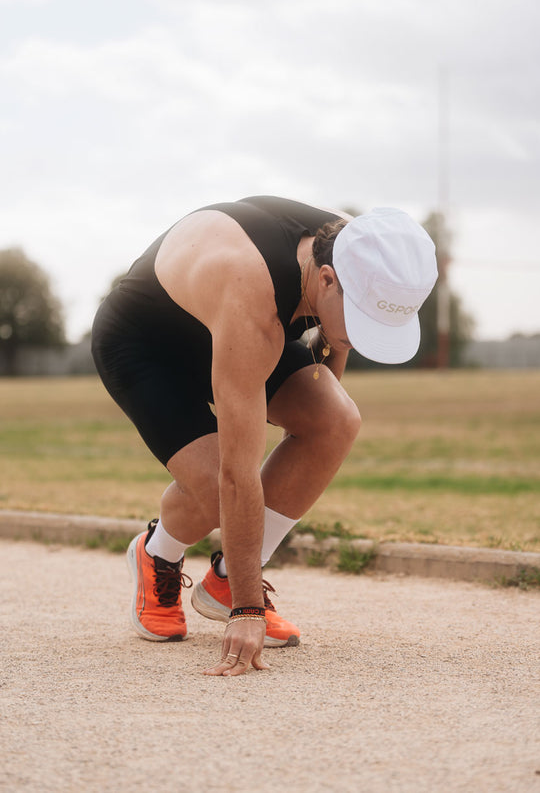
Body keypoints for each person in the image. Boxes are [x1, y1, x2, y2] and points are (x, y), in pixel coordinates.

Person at [91, 196, 437, 677]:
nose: (361, 337)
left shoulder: (360, 251)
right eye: (361, 322)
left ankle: (226, 579)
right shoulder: (250, 287)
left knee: (336, 420)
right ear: (327, 281)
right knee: (218, 486)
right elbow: (239, 472)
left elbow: (332, 355)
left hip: (239, 324)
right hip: (149, 345)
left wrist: (337, 349)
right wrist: (249, 611)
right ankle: (157, 556)